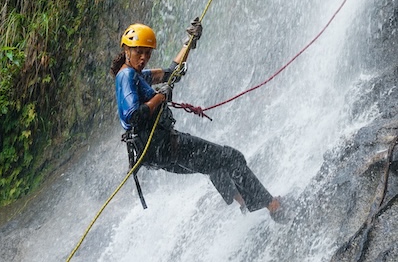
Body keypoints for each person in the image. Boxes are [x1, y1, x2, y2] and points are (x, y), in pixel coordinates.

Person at [110, 19, 285, 222]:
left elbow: (170, 73)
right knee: (232, 157)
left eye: (147, 53)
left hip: (155, 153)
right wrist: (160, 97)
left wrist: (189, 43)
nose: (143, 58)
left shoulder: (137, 75)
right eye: (139, 51)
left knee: (213, 164)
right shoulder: (126, 76)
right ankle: (273, 206)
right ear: (126, 49)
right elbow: (134, 116)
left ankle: (244, 202)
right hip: (163, 146)